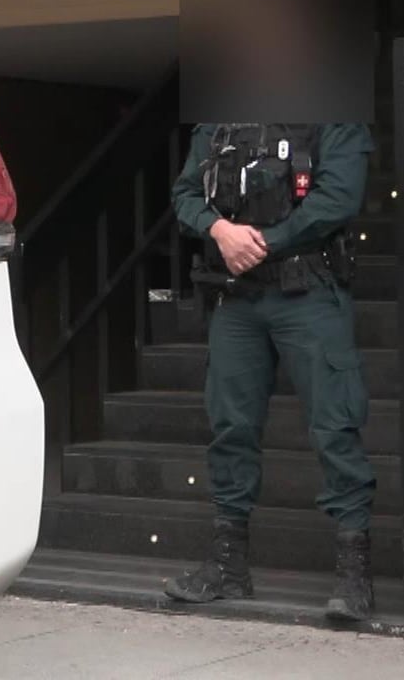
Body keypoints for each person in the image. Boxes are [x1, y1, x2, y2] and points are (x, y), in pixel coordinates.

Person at [164, 122, 377, 621]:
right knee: (230, 426)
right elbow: (185, 192)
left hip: (310, 289)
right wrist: (219, 230)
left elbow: (338, 198)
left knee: (334, 424)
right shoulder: (220, 119)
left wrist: (261, 241)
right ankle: (228, 566)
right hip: (238, 296)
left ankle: (354, 575)